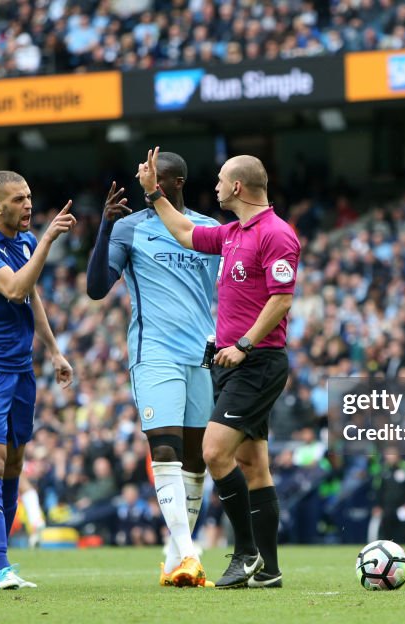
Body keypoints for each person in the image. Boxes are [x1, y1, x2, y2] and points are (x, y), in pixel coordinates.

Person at [135, 147, 300, 589]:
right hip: (231, 363)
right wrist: (153, 195)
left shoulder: (276, 234)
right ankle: (268, 569)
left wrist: (245, 344)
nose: (215, 185)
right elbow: (186, 232)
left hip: (255, 362)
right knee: (252, 464)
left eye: (221, 178)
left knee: (212, 452)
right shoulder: (231, 233)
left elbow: (282, 298)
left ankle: (245, 552)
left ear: (238, 187)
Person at [85, 151, 219, 588]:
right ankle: (189, 552)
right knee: (165, 451)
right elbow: (96, 289)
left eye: (153, 178)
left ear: (175, 182)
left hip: (201, 355)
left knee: (197, 460)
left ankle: (174, 555)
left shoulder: (209, 230)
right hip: (155, 354)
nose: (144, 184)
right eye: (141, 177)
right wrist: (104, 225)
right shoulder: (130, 228)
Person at [0, 170, 76, 590]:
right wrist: (46, 241)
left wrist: (54, 350)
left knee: (13, 467)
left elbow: (31, 297)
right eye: (19, 199)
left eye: (29, 196)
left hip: (20, 368)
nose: (28, 205)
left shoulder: (23, 241)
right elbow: (13, 289)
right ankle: (4, 567)